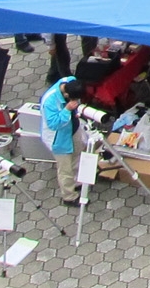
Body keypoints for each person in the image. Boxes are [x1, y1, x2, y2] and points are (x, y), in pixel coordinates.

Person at [42, 75, 88, 205]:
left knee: (77, 155)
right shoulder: (49, 101)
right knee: (65, 169)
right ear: (66, 95)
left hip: (73, 129)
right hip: (59, 139)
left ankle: (76, 181)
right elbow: (53, 124)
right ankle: (69, 197)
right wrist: (67, 110)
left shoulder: (70, 81)